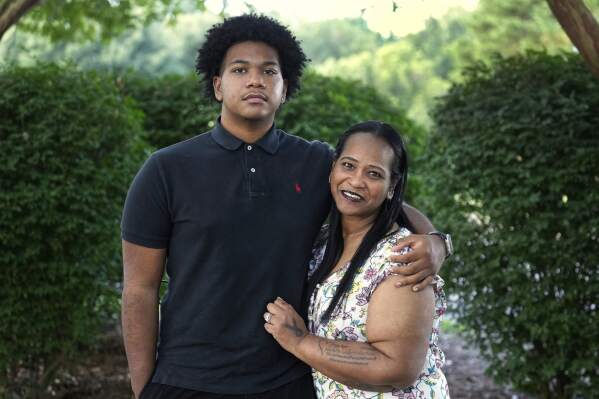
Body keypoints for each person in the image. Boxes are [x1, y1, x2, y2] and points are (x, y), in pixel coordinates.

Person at [121, 14, 450, 399]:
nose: (255, 80)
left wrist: (436, 242)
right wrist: (143, 387)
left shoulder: (315, 163)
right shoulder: (166, 170)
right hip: (186, 379)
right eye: (240, 69)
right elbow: (139, 291)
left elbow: (388, 205)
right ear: (217, 85)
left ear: (285, 86)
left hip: (286, 380)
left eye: (269, 71)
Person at [264, 121, 450, 398]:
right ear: (333, 168)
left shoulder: (402, 260)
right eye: (348, 166)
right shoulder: (322, 243)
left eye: (374, 174)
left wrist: (299, 341)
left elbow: (398, 367)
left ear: (391, 186)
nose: (356, 181)